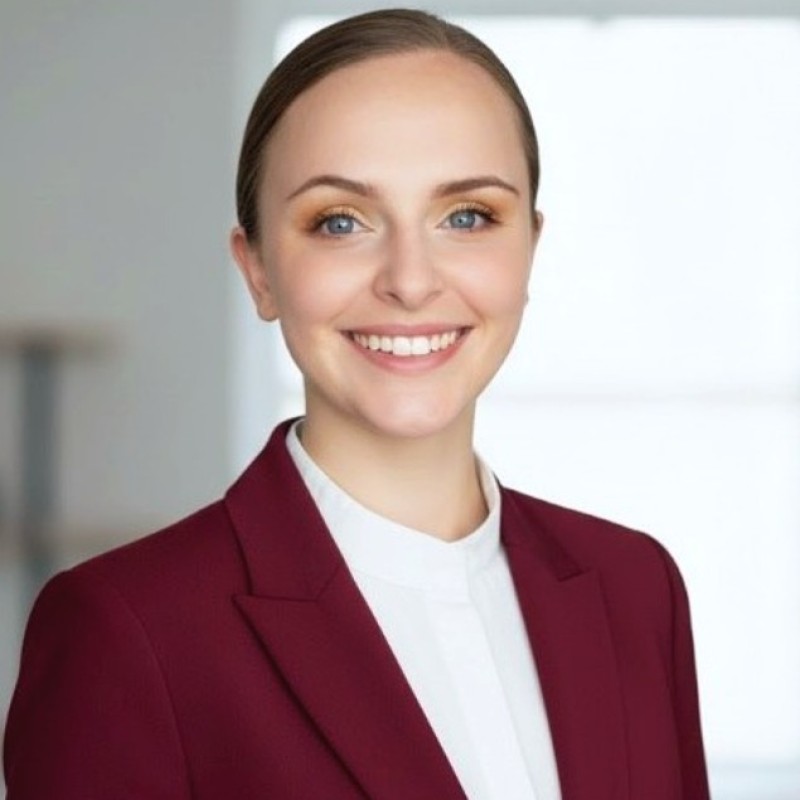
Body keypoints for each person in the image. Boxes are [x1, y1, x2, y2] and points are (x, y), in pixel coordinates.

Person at [3, 9, 710, 799]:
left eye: (468, 217)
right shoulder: (128, 632)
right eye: (340, 221)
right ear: (259, 270)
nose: (410, 280)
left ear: (529, 249)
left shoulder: (635, 588)